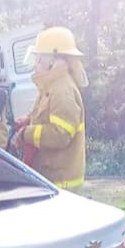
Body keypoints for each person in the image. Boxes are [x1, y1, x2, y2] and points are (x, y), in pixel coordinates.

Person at [13, 27, 88, 189]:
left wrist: (27, 134)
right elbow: (45, 117)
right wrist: (28, 120)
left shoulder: (62, 90)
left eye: (39, 59)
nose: (35, 65)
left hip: (62, 183)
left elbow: (60, 135)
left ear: (53, 62)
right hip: (52, 178)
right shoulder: (51, 86)